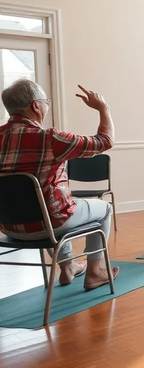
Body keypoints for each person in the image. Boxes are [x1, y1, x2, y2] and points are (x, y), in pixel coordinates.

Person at [0, 80, 119, 290]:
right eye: (45, 101)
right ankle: (95, 272)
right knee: (104, 209)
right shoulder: (50, 138)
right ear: (35, 106)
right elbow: (105, 141)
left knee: (49, 207)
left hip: (8, 228)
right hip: (48, 225)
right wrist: (103, 107)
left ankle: (68, 267)